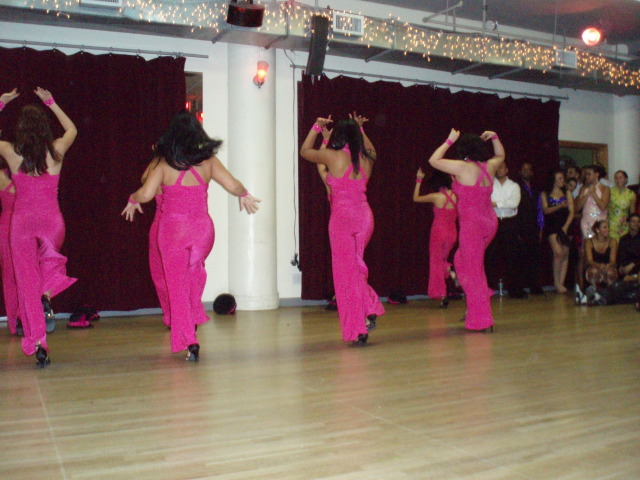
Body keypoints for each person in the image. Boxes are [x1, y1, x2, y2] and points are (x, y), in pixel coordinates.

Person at [122, 112, 260, 361]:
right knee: (193, 274)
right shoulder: (208, 161)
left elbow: (146, 194)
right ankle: (193, 314)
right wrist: (245, 195)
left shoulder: (163, 164)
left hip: (174, 231)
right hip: (203, 231)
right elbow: (233, 185)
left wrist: (133, 198)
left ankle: (190, 340)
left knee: (177, 286)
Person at [0, 87, 78, 367]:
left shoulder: (11, 152)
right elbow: (72, 129)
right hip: (51, 221)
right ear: (44, 128)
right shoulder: (55, 151)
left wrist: (1, 104)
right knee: (49, 267)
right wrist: (51, 102)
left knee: (26, 283)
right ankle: (46, 295)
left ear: (20, 130)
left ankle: (38, 343)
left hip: (22, 223)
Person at [300, 112, 385, 346]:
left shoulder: (333, 156)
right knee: (355, 271)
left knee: (346, 276)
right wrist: (361, 129)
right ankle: (367, 311)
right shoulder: (367, 158)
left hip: (342, 221)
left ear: (338, 136)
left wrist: (317, 128)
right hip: (364, 218)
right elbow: (371, 149)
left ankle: (360, 326)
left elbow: (305, 151)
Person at [428, 129, 505, 333]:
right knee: (461, 261)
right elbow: (500, 155)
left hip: (473, 226)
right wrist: (495, 137)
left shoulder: (463, 167)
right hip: (489, 223)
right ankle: (476, 302)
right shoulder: (489, 166)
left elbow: (433, 160)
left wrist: (449, 140)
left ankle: (482, 319)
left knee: (474, 271)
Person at [413, 169, 457, 307]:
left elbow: (416, 198)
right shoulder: (456, 195)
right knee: (442, 260)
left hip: (438, 232)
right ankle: (451, 272)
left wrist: (418, 180)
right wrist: (452, 176)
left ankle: (443, 294)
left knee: (436, 263)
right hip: (452, 233)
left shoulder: (436, 196)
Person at [485, 162, 524, 297]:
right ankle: (488, 289)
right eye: (497, 168)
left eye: (501, 167)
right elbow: (486, 202)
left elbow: (514, 203)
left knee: (512, 256)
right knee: (489, 256)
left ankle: (515, 290)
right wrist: (502, 204)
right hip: (493, 221)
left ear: (507, 170)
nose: (499, 170)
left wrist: (496, 203)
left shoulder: (514, 186)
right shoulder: (489, 185)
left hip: (509, 223)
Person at [141, 158, 171, 328]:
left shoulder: (159, 166)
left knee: (161, 275)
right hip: (189, 225)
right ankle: (186, 314)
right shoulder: (187, 166)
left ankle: (172, 316)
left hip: (162, 226)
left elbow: (145, 185)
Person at [541, 170, 574, 293]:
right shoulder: (545, 194)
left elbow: (571, 212)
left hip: (565, 225)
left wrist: (566, 227)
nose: (562, 181)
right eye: (559, 178)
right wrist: (560, 206)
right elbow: (545, 210)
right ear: (553, 180)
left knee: (565, 254)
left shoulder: (567, 193)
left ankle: (561, 283)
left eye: (562, 178)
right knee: (558, 252)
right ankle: (556, 282)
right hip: (552, 226)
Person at [516, 162, 544, 295]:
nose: (526, 171)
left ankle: (535, 286)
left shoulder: (536, 188)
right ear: (519, 171)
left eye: (529, 169)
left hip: (534, 227)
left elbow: (540, 209)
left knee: (535, 258)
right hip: (521, 226)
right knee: (521, 258)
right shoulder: (516, 187)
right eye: (524, 169)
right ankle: (519, 287)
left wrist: (541, 228)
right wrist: (516, 229)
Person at [0, 167, 19, 335]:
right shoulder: (1, 173)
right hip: (8, 228)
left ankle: (27, 317)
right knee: (11, 276)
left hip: (25, 227)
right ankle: (15, 321)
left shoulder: (23, 171)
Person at [575, 165, 610, 240]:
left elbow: (603, 207)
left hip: (600, 221)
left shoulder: (605, 188)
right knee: (588, 243)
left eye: (589, 174)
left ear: (596, 174)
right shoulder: (583, 188)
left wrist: (593, 193)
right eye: (586, 174)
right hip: (586, 222)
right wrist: (587, 194)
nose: (586, 176)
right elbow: (577, 208)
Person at [584, 220, 618, 289]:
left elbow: (613, 260)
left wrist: (607, 265)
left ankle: (609, 291)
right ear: (597, 230)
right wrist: (598, 265)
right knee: (594, 271)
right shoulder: (589, 241)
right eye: (605, 227)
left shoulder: (613, 241)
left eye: (608, 227)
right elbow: (590, 260)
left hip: (608, 266)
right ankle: (593, 291)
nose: (608, 229)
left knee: (610, 272)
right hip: (594, 265)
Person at [608, 170, 637, 240]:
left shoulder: (631, 194)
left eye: (620, 177)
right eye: (616, 178)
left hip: (624, 225)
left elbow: (632, 213)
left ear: (626, 179)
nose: (618, 180)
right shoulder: (609, 191)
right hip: (611, 225)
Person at [618, 213, 640, 279]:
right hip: (625, 267)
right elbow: (620, 255)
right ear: (628, 223)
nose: (636, 224)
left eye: (638, 221)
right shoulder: (623, 239)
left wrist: (632, 265)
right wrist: (621, 266)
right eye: (633, 221)